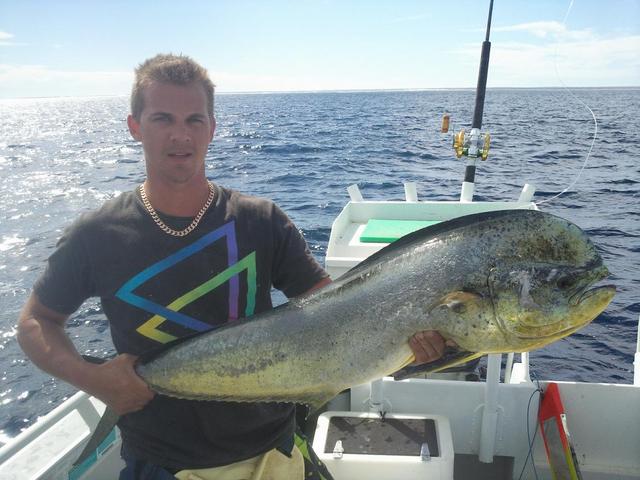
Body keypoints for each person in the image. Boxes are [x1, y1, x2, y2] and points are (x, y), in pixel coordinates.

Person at [17, 54, 449, 479]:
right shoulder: (97, 233)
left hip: (270, 453)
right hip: (163, 463)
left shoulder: (261, 220)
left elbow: (333, 313)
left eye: (194, 120)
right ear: (135, 127)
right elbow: (36, 321)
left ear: (213, 129)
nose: (180, 136)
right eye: (162, 119)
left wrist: (407, 343)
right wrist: (93, 379)